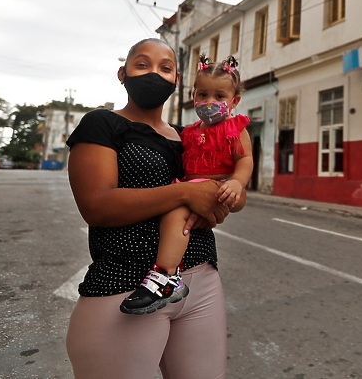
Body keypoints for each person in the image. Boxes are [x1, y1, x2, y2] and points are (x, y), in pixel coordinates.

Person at [65, 37, 235, 379]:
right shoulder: (103, 124)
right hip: (126, 285)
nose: (154, 74)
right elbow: (97, 206)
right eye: (142, 65)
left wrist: (218, 200)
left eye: (166, 68)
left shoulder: (190, 136)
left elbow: (215, 201)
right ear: (122, 73)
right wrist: (184, 194)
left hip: (201, 284)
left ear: (176, 81)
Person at [120, 53, 253, 314]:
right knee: (174, 208)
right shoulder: (190, 132)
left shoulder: (235, 128)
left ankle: (166, 276)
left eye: (219, 96)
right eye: (202, 95)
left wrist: (237, 183)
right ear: (193, 95)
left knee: (176, 211)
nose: (209, 102)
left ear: (234, 101)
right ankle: (171, 270)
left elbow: (245, 159)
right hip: (195, 185)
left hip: (222, 185)